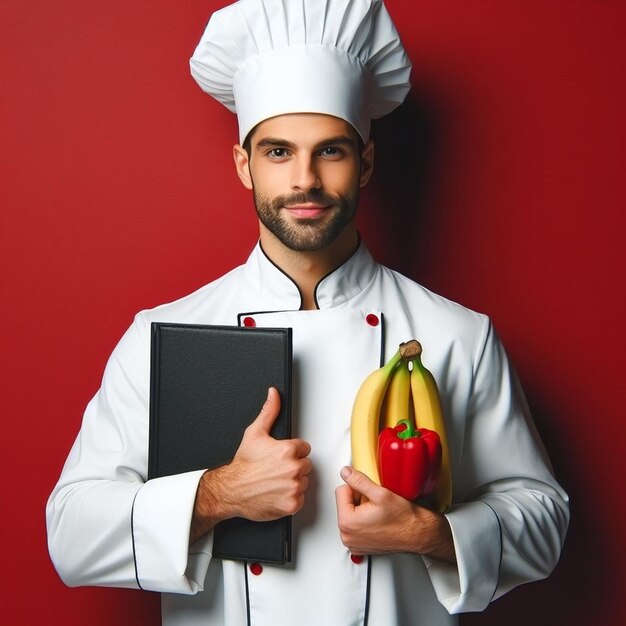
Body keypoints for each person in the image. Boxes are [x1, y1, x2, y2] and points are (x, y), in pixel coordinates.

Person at [46, 1, 569, 624]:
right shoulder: (161, 334)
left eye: (330, 152)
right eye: (277, 152)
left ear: (366, 162)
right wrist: (215, 496)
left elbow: (543, 518)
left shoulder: (458, 335)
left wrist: (431, 534)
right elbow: (70, 536)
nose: (305, 180)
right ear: (245, 166)